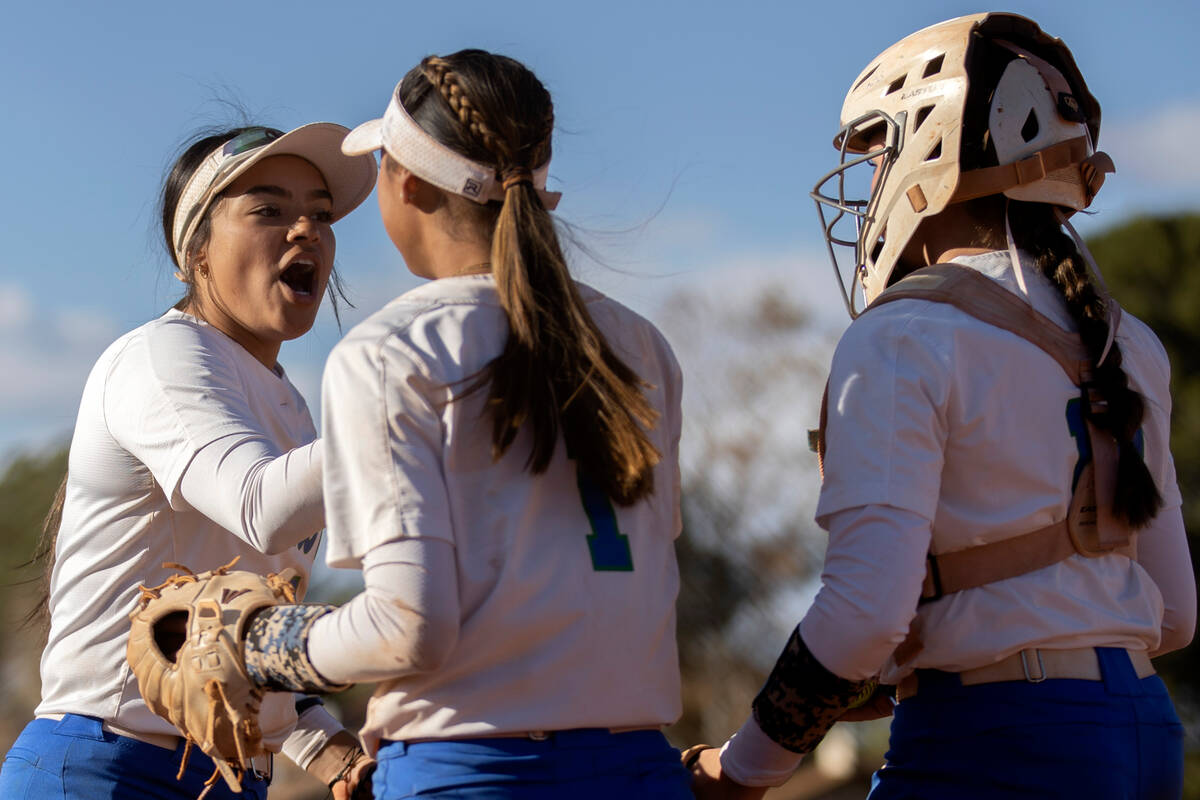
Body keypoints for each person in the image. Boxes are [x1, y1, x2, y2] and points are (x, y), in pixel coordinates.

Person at [688, 13, 1195, 800]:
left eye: (880, 150)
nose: (872, 182)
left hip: (993, 740)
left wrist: (740, 769)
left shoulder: (906, 333)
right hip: (1143, 727)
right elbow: (1175, 617)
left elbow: (862, 616)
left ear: (936, 144)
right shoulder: (1129, 344)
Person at [216, 49, 691, 800]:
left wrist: (253, 645)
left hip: (472, 772)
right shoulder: (638, 343)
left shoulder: (388, 351)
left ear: (403, 182)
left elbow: (407, 627)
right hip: (640, 768)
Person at [0, 123, 378, 799]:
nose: (305, 230)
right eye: (267, 209)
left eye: (320, 214)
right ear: (194, 253)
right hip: (107, 767)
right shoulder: (163, 356)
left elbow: (234, 632)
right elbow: (260, 507)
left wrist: (327, 747)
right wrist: (428, 418)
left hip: (219, 778)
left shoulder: (292, 408)